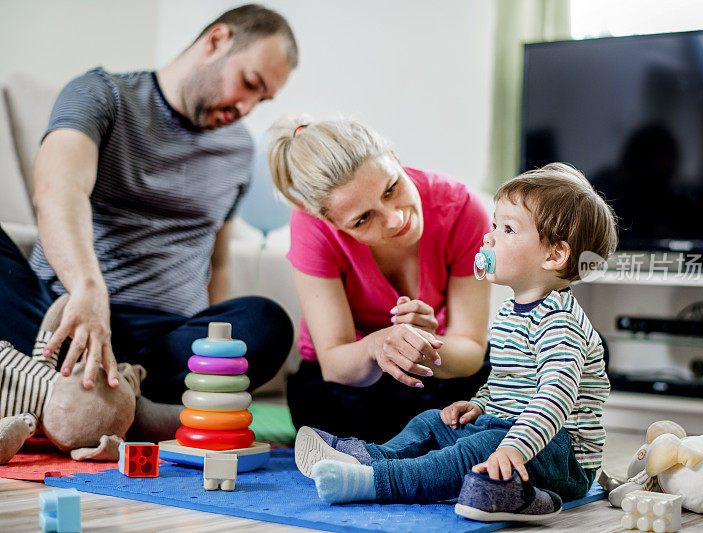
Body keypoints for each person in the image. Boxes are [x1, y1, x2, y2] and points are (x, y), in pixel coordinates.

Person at [0, 5, 297, 414]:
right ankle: (122, 407)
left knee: (268, 322)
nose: (247, 108)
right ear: (216, 41)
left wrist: (214, 342)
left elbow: (219, 259)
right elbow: (57, 190)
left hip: (162, 344)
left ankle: (74, 398)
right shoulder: (100, 94)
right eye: (249, 83)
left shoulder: (240, 149)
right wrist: (87, 288)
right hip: (60, 317)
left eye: (261, 99)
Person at [293, 163, 617, 521]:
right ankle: (369, 456)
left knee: (478, 447)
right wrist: (479, 405)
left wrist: (513, 447)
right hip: (508, 429)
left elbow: (554, 400)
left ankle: (377, 481)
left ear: (554, 255)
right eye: (494, 225)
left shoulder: (561, 324)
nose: (489, 238)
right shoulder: (512, 312)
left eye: (507, 229)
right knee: (433, 421)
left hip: (560, 454)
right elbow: (505, 382)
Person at [268, 118, 492, 442]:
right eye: (362, 220)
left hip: (440, 371)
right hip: (352, 382)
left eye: (391, 188)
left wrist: (424, 342)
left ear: (395, 158)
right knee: (331, 410)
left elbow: (470, 350)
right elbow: (334, 363)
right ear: (331, 223)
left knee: (536, 366)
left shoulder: (460, 209)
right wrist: (378, 346)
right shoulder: (311, 226)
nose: (395, 218)